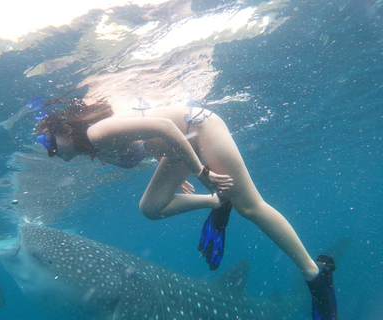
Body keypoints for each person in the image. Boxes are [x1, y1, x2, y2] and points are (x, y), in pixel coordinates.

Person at [36, 97, 338, 320]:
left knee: (251, 207)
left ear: (65, 128)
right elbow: (145, 140)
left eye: (47, 141)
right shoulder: (94, 148)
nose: (50, 152)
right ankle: (218, 201)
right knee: (151, 207)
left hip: (199, 129)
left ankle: (315, 273)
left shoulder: (96, 134)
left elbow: (165, 125)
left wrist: (199, 172)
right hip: (179, 147)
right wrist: (172, 172)